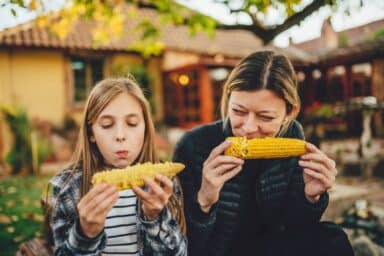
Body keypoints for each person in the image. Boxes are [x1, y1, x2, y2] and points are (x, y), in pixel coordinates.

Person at [173, 51, 354, 256]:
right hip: (220, 251)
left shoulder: (293, 134)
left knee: (332, 236)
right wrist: (204, 200)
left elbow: (296, 227)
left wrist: (310, 197)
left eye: (265, 117)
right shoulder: (193, 146)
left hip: (270, 248)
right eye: (239, 112)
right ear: (228, 101)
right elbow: (181, 242)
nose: (249, 128)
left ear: (289, 114)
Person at [50, 77, 187, 255]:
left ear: (146, 128)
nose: (120, 135)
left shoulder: (163, 183)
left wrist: (155, 218)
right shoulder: (67, 187)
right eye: (107, 125)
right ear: (91, 133)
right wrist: (84, 234)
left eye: (132, 124)